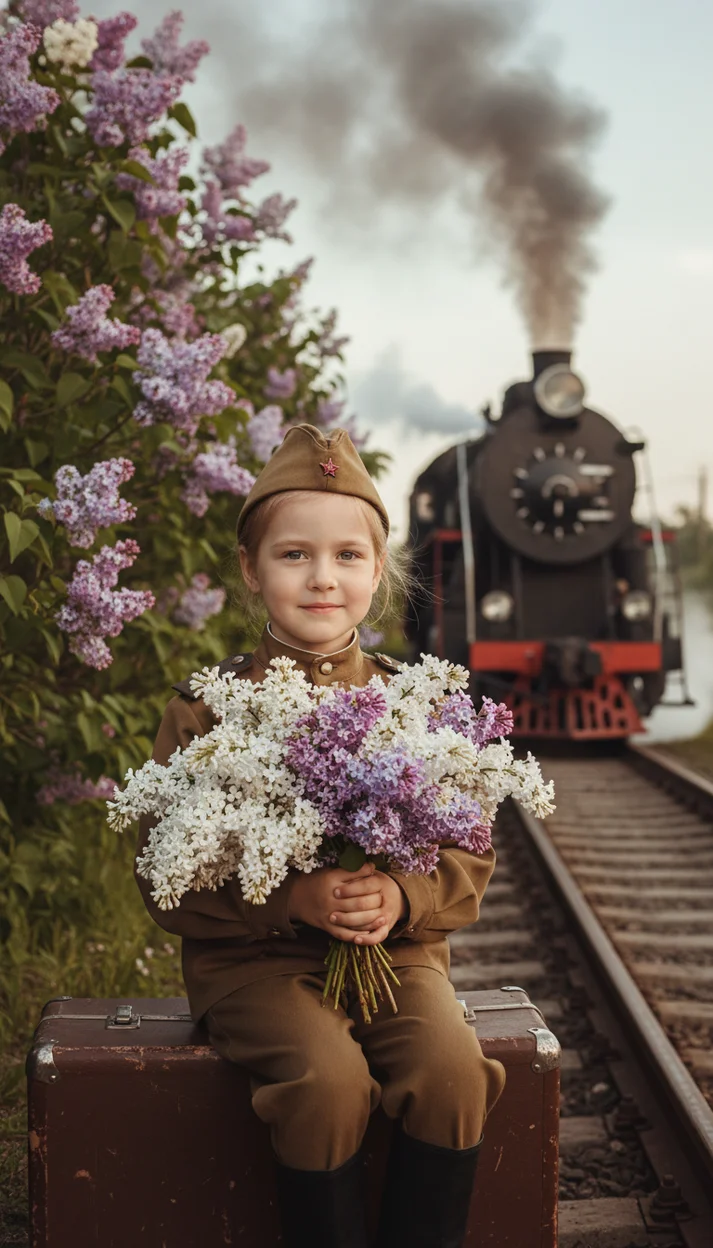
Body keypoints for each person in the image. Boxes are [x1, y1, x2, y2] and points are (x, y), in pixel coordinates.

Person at [135, 424, 506, 1248]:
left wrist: (403, 892)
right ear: (250, 569)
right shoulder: (206, 711)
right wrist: (293, 895)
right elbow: (160, 874)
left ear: (377, 572)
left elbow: (469, 855)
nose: (321, 578)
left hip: (397, 955)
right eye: (293, 555)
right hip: (251, 968)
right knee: (328, 1081)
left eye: (346, 557)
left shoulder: (416, 704)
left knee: (452, 1072)